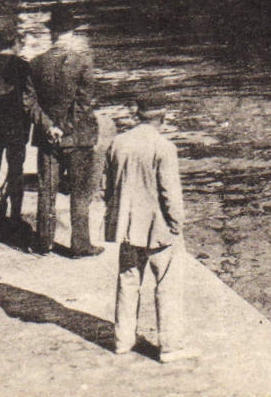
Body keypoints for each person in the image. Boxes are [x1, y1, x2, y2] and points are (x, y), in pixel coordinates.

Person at [104, 96, 192, 362]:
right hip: (158, 229)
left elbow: (107, 189)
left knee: (128, 281)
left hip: (128, 228)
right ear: (162, 119)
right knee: (167, 285)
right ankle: (171, 347)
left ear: (137, 116)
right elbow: (170, 195)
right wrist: (177, 225)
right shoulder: (164, 147)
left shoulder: (117, 143)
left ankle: (122, 340)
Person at [29, 4, 101, 256]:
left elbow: (30, 102)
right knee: (80, 192)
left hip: (47, 137)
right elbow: (83, 102)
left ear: (52, 33)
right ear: (72, 32)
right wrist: (64, 126)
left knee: (47, 189)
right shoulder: (82, 63)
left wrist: (50, 126)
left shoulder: (36, 64)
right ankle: (80, 245)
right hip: (78, 138)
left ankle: (43, 242)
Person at [0, 24, 47, 244]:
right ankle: (14, 219)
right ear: (16, 43)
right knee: (16, 171)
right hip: (16, 127)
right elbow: (32, 96)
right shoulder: (24, 66)